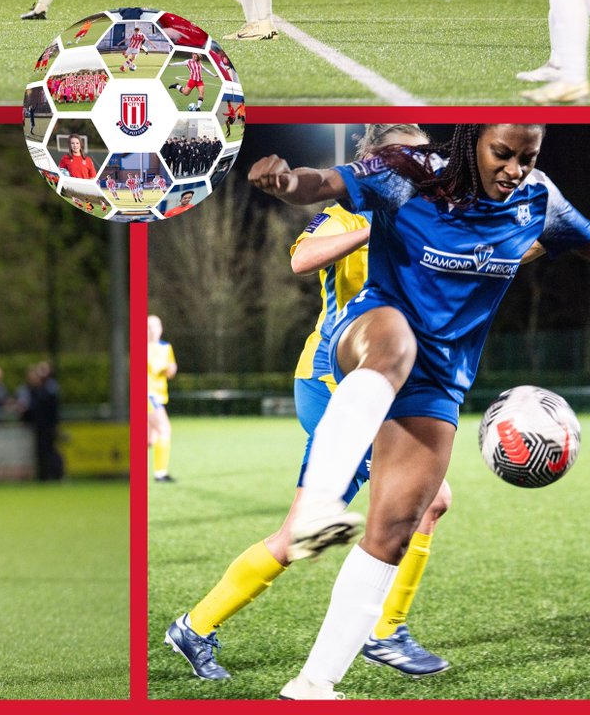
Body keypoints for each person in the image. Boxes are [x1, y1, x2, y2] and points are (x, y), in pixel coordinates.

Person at [246, 124, 590, 700]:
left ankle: (313, 684)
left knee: (392, 531)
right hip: (372, 332)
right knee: (398, 342)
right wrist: (288, 180)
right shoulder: (409, 172)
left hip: (441, 383)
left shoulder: (535, 197)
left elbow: (589, 239)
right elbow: (325, 181)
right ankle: (319, 503)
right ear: (471, 143)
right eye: (504, 153)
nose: (516, 168)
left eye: (528, 156)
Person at [165, 125, 453, 684]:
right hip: (330, 380)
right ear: (378, 160)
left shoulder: (428, 219)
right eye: (407, 151)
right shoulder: (350, 213)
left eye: (425, 150)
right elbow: (302, 258)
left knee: (391, 511)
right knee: (414, 502)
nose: (421, 159)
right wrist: (374, 228)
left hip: (388, 389)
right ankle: (382, 632)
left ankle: (196, 627)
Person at [147, 315, 178, 482]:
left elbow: (171, 369)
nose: (152, 330)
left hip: (159, 395)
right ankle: (160, 473)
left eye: (155, 326)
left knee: (149, 439)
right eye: (149, 327)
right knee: (164, 429)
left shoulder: (166, 347)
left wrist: (170, 370)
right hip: (147, 395)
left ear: (161, 328)